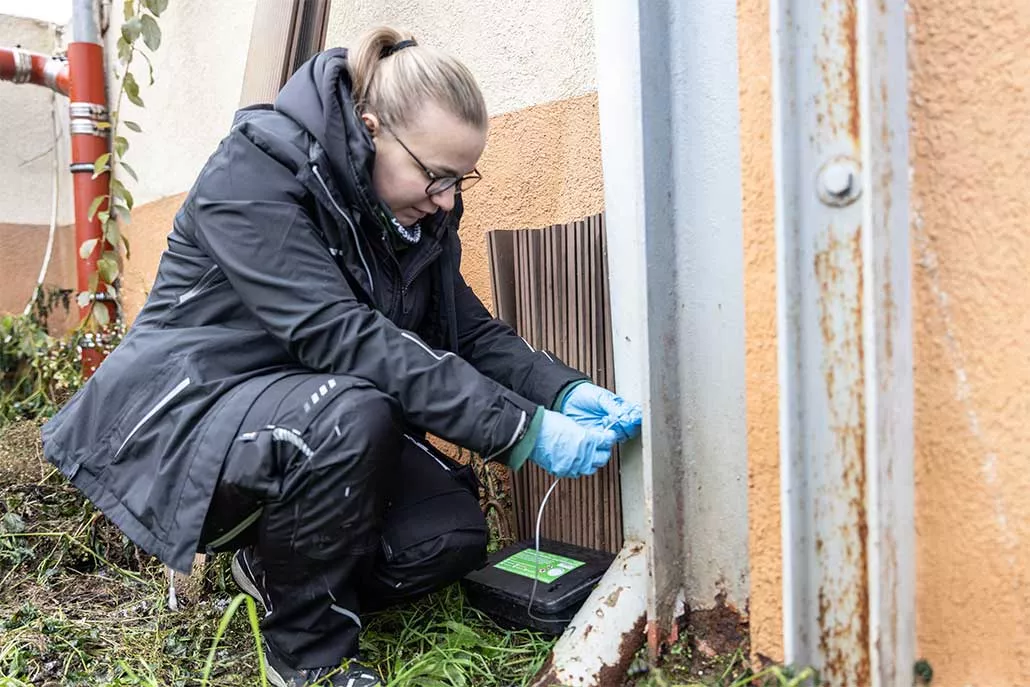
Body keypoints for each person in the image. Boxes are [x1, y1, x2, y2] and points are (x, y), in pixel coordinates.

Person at [41, 25, 642, 687]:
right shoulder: (255, 171)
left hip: (304, 416)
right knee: (350, 408)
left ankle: (274, 568)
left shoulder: (414, 217)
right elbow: (340, 336)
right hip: (188, 426)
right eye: (435, 176)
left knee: (448, 536)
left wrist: (559, 391)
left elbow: (465, 330)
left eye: (460, 178)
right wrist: (520, 431)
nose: (446, 199)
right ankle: (305, 657)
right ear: (371, 126)